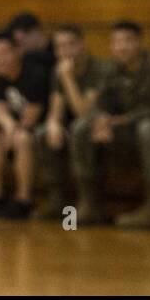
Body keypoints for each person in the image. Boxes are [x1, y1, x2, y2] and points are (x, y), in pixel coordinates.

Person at [69, 20, 150, 228]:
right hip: (135, 131)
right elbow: (100, 103)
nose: (121, 47)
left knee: (149, 128)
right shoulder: (113, 70)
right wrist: (100, 119)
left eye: (127, 41)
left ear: (139, 43)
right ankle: (89, 202)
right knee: (81, 128)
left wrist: (120, 121)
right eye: (116, 42)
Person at [33, 24, 113, 219]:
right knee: (44, 132)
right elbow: (56, 107)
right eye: (59, 47)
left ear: (82, 45)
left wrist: (68, 78)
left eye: (70, 45)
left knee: (80, 127)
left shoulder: (99, 69)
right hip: (82, 127)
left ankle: (89, 202)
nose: (65, 51)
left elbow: (84, 113)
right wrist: (52, 123)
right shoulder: (59, 71)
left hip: (106, 126)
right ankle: (56, 199)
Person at [0, 31, 48, 219]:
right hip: (16, 128)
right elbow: (0, 111)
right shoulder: (0, 78)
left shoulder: (35, 75)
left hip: (41, 128)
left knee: (22, 139)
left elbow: (31, 117)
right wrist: (9, 128)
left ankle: (24, 199)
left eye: (4, 53)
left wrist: (13, 131)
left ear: (18, 51)